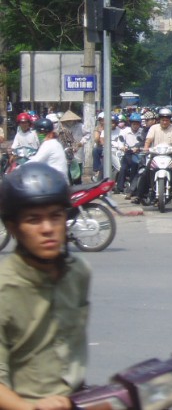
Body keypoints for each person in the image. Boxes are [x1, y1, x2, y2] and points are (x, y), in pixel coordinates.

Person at [0, 162, 91, 409]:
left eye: (55, 216)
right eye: (34, 220)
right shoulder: (4, 288)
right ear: (13, 228)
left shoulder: (78, 273)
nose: (48, 229)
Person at [28, 118, 69, 184]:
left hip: (56, 183)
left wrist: (18, 169)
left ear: (42, 132)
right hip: (58, 181)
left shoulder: (48, 144)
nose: (37, 135)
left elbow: (35, 161)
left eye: (38, 133)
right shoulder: (55, 142)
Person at [115, 113, 144, 194]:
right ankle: (119, 187)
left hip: (140, 154)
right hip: (128, 153)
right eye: (134, 123)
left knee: (139, 167)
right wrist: (123, 147)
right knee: (123, 168)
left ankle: (136, 187)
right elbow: (120, 142)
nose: (135, 125)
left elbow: (145, 142)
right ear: (131, 123)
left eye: (137, 124)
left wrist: (138, 148)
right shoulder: (124, 131)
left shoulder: (142, 132)